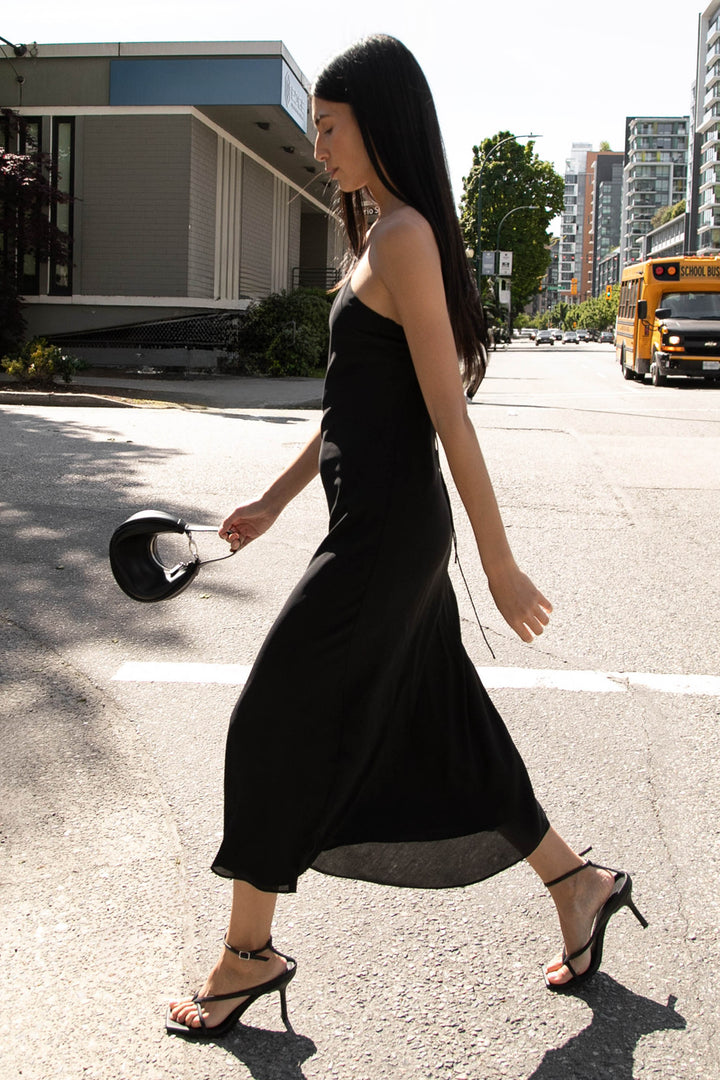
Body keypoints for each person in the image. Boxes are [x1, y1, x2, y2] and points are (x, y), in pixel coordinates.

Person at [166, 35, 646, 1039]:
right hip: (372, 522)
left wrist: (499, 561)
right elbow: (349, 407)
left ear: (380, 124)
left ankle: (247, 954)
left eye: (330, 128)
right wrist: (274, 501)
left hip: (387, 535)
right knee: (447, 722)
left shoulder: (406, 239)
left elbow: (446, 412)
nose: (318, 148)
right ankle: (578, 883)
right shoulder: (376, 236)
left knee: (271, 717)